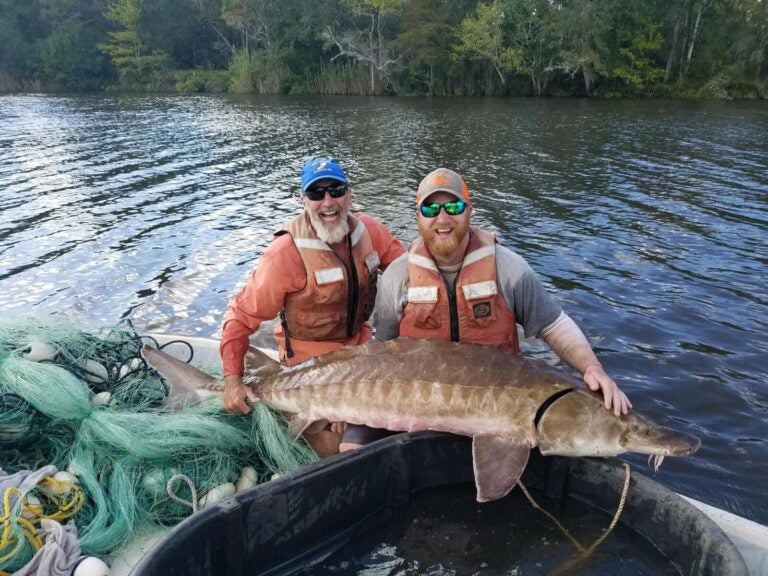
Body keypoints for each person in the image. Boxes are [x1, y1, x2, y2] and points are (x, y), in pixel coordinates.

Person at [374, 167, 632, 429]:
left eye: (453, 207)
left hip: (498, 411)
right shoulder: (397, 276)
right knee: (352, 445)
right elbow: (383, 349)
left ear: (469, 211)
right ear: (418, 217)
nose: (442, 219)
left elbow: (553, 324)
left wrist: (592, 368)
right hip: (420, 409)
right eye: (430, 210)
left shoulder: (508, 267)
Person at [219, 158, 404, 453]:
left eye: (336, 190)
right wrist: (231, 380)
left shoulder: (371, 232)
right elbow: (240, 317)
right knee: (338, 446)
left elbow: (411, 272)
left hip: (362, 357)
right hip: (307, 367)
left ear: (349, 194)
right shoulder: (285, 254)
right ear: (303, 200)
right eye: (317, 194)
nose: (328, 202)